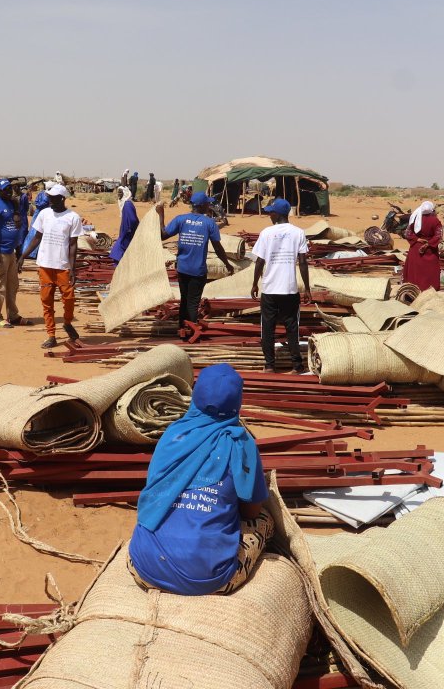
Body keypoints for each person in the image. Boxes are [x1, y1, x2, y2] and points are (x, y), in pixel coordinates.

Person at [128, 363, 271, 596]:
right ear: (237, 401)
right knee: (266, 520)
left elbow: (154, 488)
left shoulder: (173, 434)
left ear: (196, 394)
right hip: (209, 579)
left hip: (144, 569)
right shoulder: (242, 444)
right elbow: (252, 512)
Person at [159, 192, 234, 339]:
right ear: (202, 206)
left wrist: (161, 215)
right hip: (198, 271)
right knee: (193, 303)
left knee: (185, 300)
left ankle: (181, 329)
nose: (209, 206)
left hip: (182, 269)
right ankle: (191, 332)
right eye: (207, 204)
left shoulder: (181, 219)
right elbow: (218, 248)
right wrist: (227, 263)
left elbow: (163, 235)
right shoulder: (209, 223)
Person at [250, 199, 311, 373]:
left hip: (270, 289)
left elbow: (260, 261)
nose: (269, 215)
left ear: (277, 214)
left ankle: (269, 365)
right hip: (289, 289)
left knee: (267, 328)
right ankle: (297, 366)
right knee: (292, 327)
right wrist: (306, 288)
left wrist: (255, 284)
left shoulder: (267, 233)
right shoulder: (298, 233)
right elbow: (303, 262)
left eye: (271, 212)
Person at [19, 184, 82, 348]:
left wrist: (73, 268)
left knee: (69, 298)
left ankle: (67, 323)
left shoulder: (73, 217)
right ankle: (51, 334)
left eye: (53, 198)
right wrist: (23, 256)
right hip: (45, 265)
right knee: (47, 301)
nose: (50, 200)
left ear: (62, 198)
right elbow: (36, 238)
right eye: (49, 197)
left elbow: (73, 245)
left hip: (63, 266)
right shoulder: (44, 214)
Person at [0, 179, 23, 327]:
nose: (9, 191)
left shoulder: (11, 203)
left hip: (11, 252)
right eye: (5, 189)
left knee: (12, 286)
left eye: (10, 188)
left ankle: (13, 315)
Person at [403, 201, 442, 291]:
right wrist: (428, 243)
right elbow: (438, 235)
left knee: (415, 270)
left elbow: (408, 233)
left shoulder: (415, 219)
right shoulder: (435, 221)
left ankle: (413, 290)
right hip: (430, 250)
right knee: (430, 271)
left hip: (416, 248)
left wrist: (417, 239)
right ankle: (429, 291)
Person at [110, 187, 139, 264]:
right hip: (126, 228)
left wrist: (129, 229)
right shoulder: (125, 203)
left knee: (121, 245)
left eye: (120, 193)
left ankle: (118, 264)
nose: (119, 194)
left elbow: (133, 220)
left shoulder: (127, 204)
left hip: (127, 230)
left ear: (125, 193)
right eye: (118, 193)